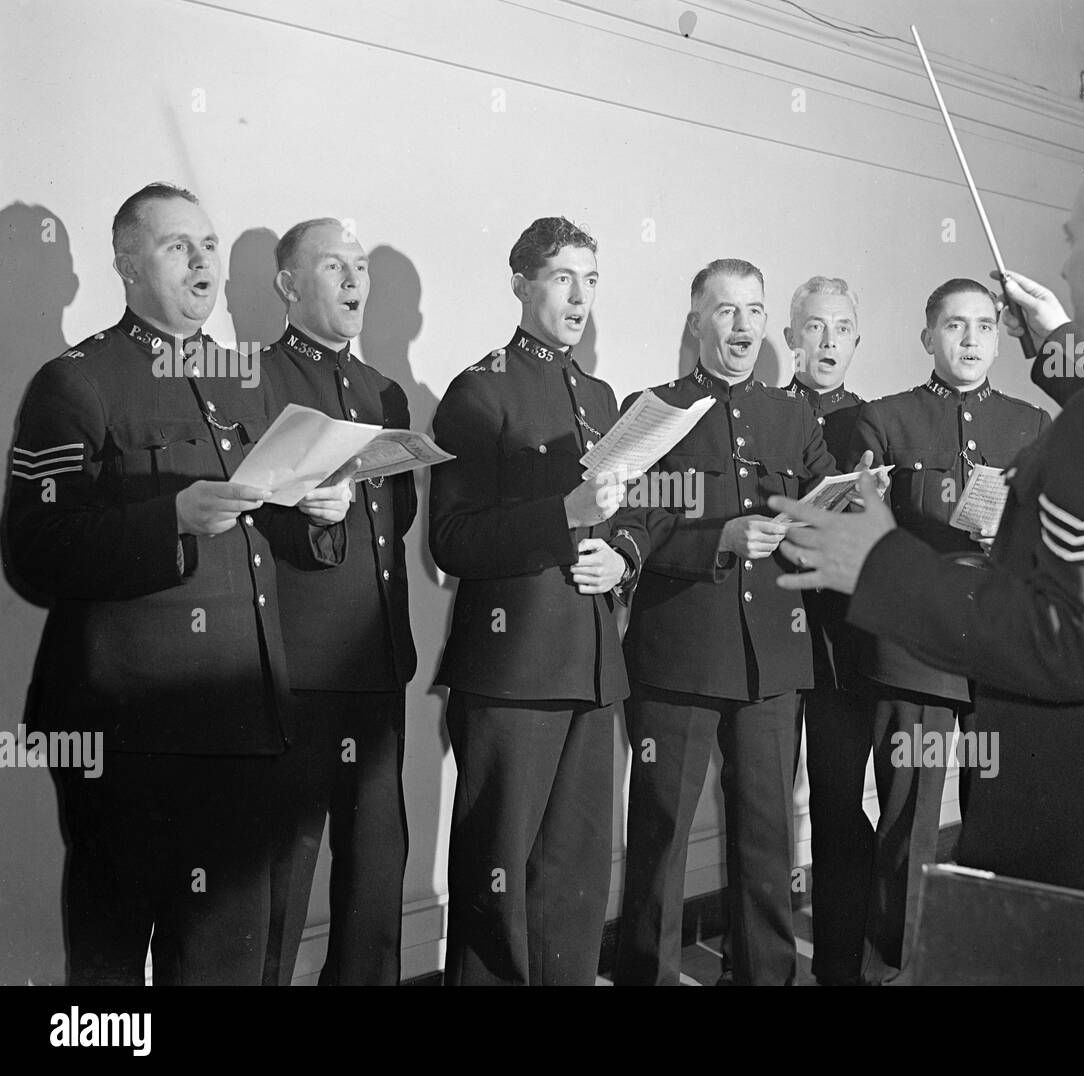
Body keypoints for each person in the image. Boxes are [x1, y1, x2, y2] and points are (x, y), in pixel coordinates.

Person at [771, 152, 1084, 928]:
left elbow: (1073, 639)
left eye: (1073, 239)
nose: (1065, 266)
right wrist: (1060, 347)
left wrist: (879, 564)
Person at [5, 182, 351, 985]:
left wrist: (320, 511)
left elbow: (270, 525)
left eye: (208, 245)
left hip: (240, 722)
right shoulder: (75, 382)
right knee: (113, 959)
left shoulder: (244, 379)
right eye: (176, 247)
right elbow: (33, 550)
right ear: (126, 266)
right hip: (127, 735)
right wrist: (171, 521)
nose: (203, 262)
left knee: (224, 959)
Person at [428, 216, 646, 985]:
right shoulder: (478, 391)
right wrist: (565, 518)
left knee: (576, 878)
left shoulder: (600, 392)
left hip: (590, 666)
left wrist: (618, 558)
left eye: (591, 278)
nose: (580, 294)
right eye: (562, 277)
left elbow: (617, 517)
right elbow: (450, 541)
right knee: (499, 877)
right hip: (511, 673)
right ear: (521, 284)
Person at [613, 258, 838, 986]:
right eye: (726, 311)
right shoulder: (654, 408)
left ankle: (765, 978)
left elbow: (824, 519)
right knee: (660, 836)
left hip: (772, 661)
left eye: (754, 311)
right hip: (676, 660)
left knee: (768, 840)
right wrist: (720, 539)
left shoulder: (794, 414)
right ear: (696, 320)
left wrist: (832, 514)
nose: (742, 327)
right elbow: (627, 530)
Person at [848, 278, 1049, 983]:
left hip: (1001, 653)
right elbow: (859, 534)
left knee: (998, 817)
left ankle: (981, 961)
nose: (970, 340)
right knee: (910, 822)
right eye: (955, 326)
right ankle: (893, 968)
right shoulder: (884, 420)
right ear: (928, 336)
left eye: (985, 326)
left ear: (1000, 337)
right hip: (917, 652)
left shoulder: (1032, 425)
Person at [258, 218, 417, 986]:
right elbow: (239, 521)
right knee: (278, 877)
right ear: (288, 284)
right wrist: (299, 512)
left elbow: (399, 520)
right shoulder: (255, 381)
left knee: (376, 871)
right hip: (298, 672)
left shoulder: (383, 392)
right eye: (335, 267)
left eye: (361, 266)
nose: (356, 281)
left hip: (377, 664)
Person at [778, 276, 872, 986]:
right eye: (814, 327)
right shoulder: (760, 413)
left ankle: (840, 966)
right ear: (791, 338)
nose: (828, 341)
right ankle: (760, 959)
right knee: (761, 808)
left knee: (839, 807)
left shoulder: (875, 425)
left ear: (856, 341)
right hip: (767, 640)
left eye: (841, 328)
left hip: (840, 647)